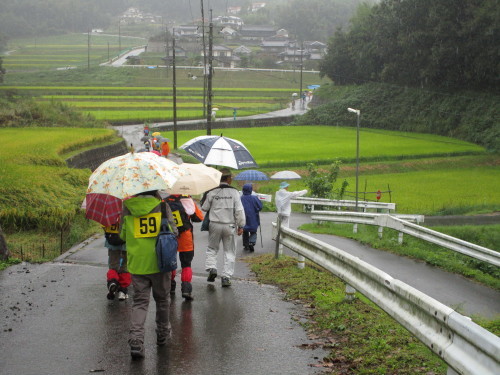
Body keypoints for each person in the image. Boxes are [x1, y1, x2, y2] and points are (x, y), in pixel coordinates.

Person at [120, 190, 178, 359]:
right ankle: (162, 334)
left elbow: (122, 235)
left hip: (137, 264)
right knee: (162, 300)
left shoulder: (127, 207)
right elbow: (173, 231)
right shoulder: (162, 206)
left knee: (139, 303)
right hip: (161, 262)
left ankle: (136, 341)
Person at [201, 168, 245, 287]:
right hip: (229, 225)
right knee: (229, 251)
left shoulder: (212, 191)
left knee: (212, 248)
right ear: (228, 179)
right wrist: (241, 225)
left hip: (214, 224)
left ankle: (212, 268)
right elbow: (239, 210)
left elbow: (204, 208)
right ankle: (226, 277)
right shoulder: (235, 192)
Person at [165, 194, 204, 300]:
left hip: (169, 235)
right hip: (185, 235)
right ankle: (186, 289)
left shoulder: (165, 201)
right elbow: (199, 218)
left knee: (170, 261)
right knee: (186, 263)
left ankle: (171, 287)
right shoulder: (187, 200)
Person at [103, 222, 131, 301]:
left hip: (112, 243)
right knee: (125, 267)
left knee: (113, 265)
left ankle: (112, 282)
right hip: (127, 243)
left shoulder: (109, 212)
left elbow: (104, 226)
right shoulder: (128, 211)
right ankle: (122, 291)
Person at [240, 183, 262, 252]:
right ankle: (251, 242)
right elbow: (260, 207)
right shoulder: (254, 198)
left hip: (243, 217)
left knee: (245, 231)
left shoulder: (240, 198)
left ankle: (246, 245)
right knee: (253, 231)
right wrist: (257, 210)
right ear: (250, 190)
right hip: (253, 217)